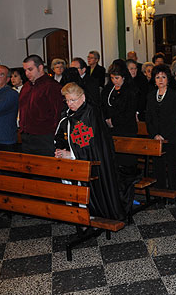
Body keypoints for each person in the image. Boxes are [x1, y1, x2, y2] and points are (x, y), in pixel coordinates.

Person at [54, 83, 127, 220]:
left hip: (92, 162)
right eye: (67, 100)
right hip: (72, 160)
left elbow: (92, 144)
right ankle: (73, 211)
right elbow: (61, 134)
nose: (70, 104)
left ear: (83, 97)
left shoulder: (90, 113)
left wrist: (71, 154)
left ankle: (89, 212)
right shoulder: (68, 113)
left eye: (73, 100)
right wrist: (60, 149)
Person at [146, 65, 176, 193]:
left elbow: (175, 118)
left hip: (172, 137)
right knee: (158, 167)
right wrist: (155, 134)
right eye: (157, 77)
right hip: (156, 139)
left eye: (163, 77)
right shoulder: (151, 96)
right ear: (154, 80)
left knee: (173, 168)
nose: (160, 80)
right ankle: (160, 193)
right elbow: (148, 118)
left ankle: (173, 193)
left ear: (168, 79)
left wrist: (163, 135)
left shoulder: (175, 95)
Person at [19, 55, 64, 156]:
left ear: (40, 68)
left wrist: (54, 135)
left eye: (30, 69)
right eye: (25, 70)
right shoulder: (26, 86)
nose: (27, 73)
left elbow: (57, 114)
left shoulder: (52, 86)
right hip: (26, 136)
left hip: (44, 137)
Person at [101, 62, 138, 138]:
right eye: (112, 78)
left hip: (126, 129)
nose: (114, 81)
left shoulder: (130, 91)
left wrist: (114, 121)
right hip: (110, 128)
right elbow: (102, 105)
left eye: (117, 78)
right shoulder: (108, 90)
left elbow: (129, 111)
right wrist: (107, 119)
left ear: (123, 77)